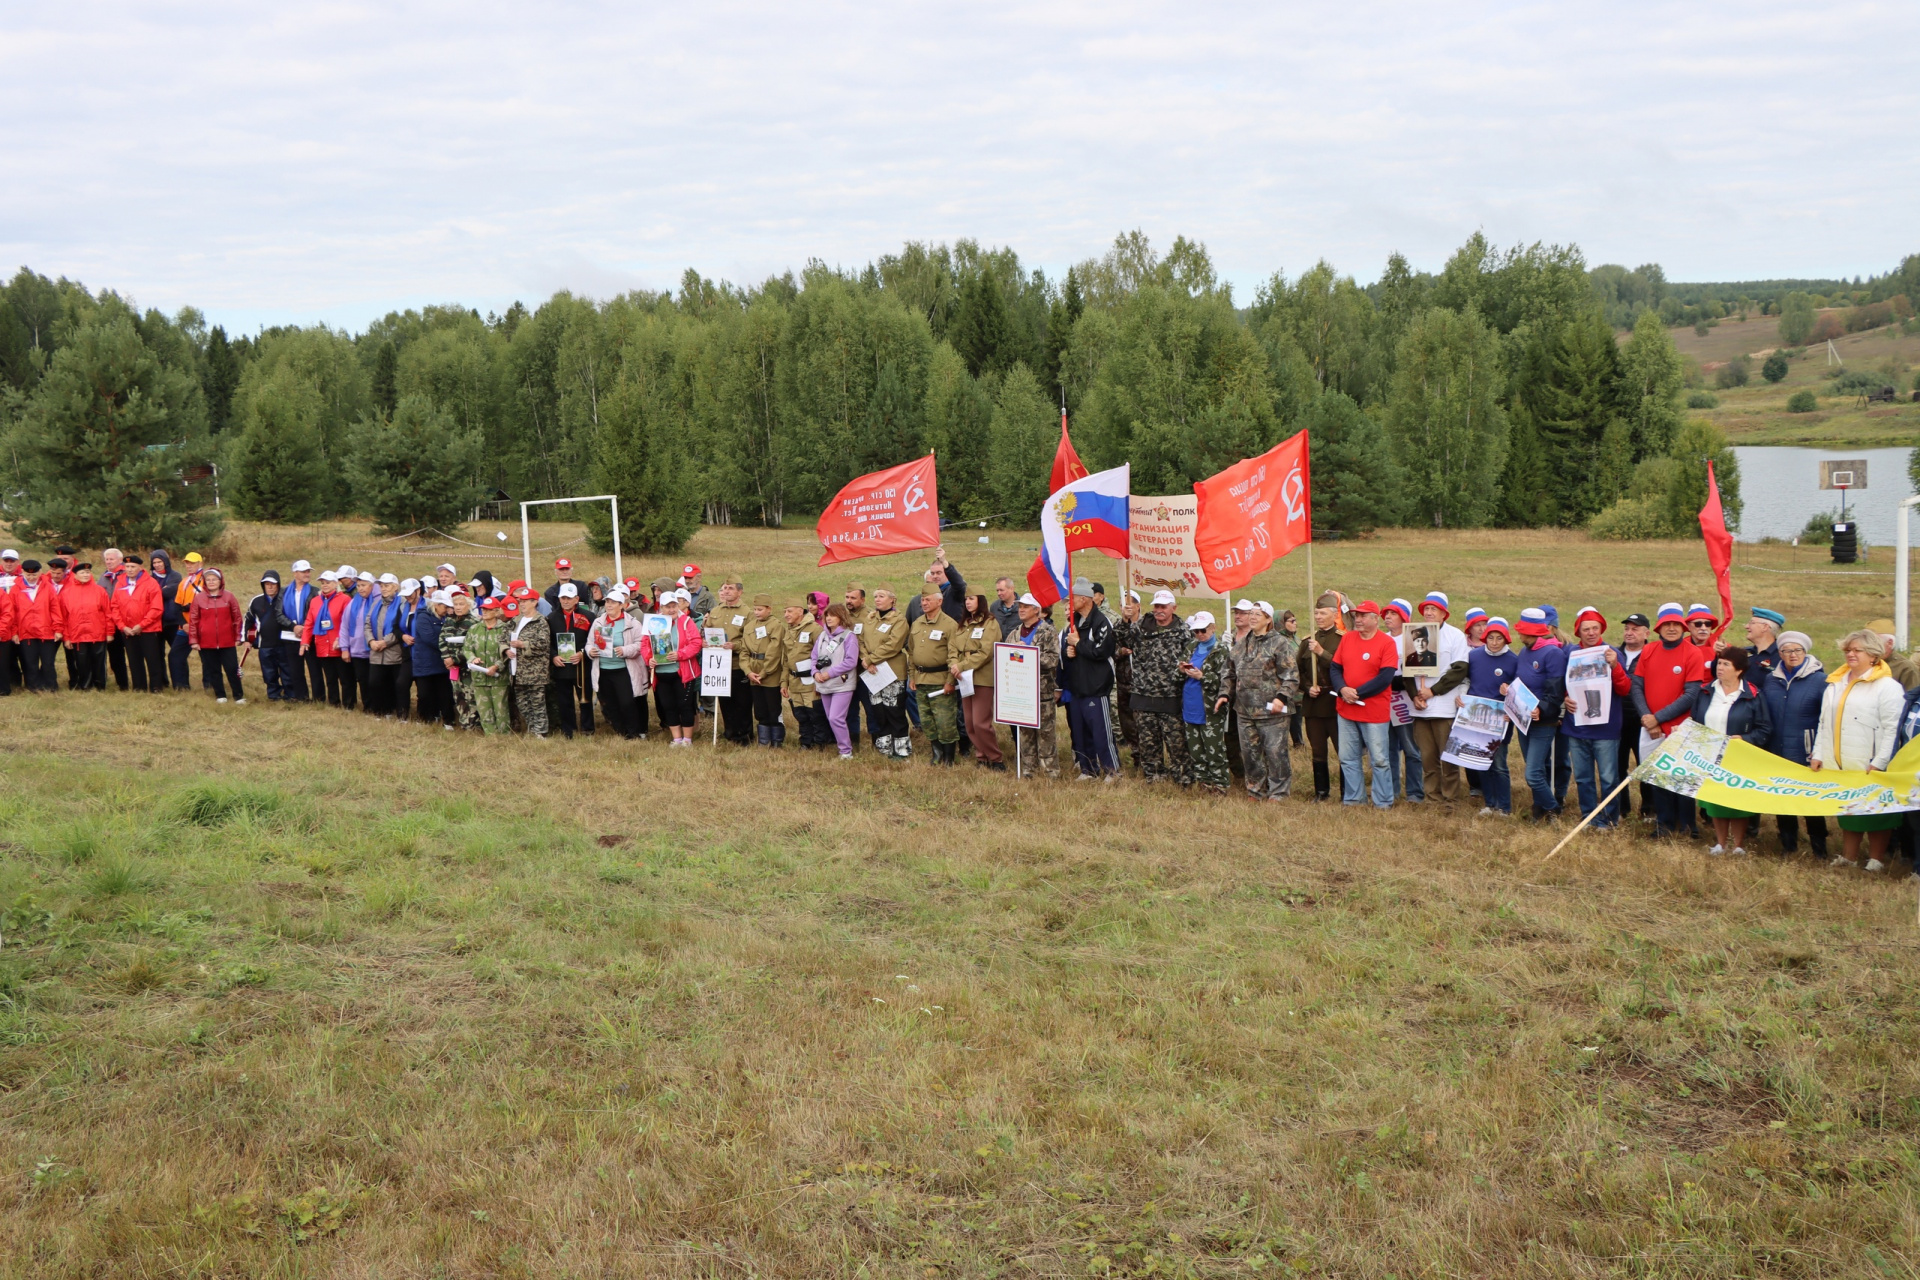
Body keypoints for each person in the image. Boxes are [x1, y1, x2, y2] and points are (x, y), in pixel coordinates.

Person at [1809, 629, 1907, 871]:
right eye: (1848, 650)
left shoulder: (1887, 687)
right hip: (1840, 762)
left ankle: (1876, 859)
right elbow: (1824, 722)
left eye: (1857, 650)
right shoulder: (1835, 683)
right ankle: (1849, 857)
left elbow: (1893, 728)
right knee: (1849, 809)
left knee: (1877, 811)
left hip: (1870, 761)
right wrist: (1819, 753)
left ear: (1873, 655)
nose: (1850, 654)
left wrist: (1881, 760)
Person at [1632, 603, 1710, 838]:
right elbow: (1637, 685)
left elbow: (1691, 694)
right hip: (1650, 726)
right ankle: (1663, 824)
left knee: (1682, 779)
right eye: (1667, 624)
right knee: (1657, 777)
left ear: (1684, 627)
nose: (1672, 628)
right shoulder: (1649, 650)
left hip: (1679, 728)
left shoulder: (1692, 653)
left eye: (1676, 624)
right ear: (1658, 628)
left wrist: (1658, 718)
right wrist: (1648, 718)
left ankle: (1688, 826)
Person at [1688, 647, 1773, 856]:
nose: (1720, 668)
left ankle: (1738, 845)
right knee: (1716, 800)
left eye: (1727, 664)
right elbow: (1696, 719)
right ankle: (1720, 843)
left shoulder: (1752, 695)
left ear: (1739, 670)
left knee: (1736, 801)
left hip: (1739, 757)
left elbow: (1764, 728)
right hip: (1710, 756)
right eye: (1719, 662)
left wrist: (1744, 739)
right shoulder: (1706, 691)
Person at [1557, 606, 1633, 829]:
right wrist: (1565, 698)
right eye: (1586, 629)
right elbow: (1562, 683)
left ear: (1602, 629)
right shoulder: (1569, 654)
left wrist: (1615, 666)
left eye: (1595, 628)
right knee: (1583, 777)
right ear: (1578, 632)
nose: (1591, 633)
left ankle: (1609, 819)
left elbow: (1625, 688)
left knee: (1609, 777)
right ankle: (1589, 816)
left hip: (1606, 729)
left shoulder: (1612, 653)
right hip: (1577, 727)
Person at [1759, 630, 1827, 857]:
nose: (1792, 655)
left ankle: (1819, 847)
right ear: (1780, 654)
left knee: (1810, 800)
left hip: (1806, 749)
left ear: (1805, 652)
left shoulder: (1820, 680)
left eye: (1797, 650)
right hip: (1777, 749)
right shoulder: (1771, 679)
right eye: (1787, 651)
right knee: (1782, 798)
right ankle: (1788, 844)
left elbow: (1825, 718)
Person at [1228, 599, 1298, 801]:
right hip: (1245, 711)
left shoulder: (1280, 643)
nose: (1251, 617)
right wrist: (1225, 695)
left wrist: (1282, 698)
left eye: (1257, 615)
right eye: (1251, 613)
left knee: (1276, 754)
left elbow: (1291, 675)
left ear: (1268, 619)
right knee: (1250, 755)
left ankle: (1278, 793)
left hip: (1273, 712)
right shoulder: (1241, 644)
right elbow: (1229, 672)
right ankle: (1256, 790)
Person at [1331, 600, 1397, 809]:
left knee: (1379, 759)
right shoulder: (1348, 638)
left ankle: (1383, 801)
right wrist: (1342, 689)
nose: (1357, 620)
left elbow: (1385, 677)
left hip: (1374, 711)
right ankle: (1354, 799)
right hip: (1346, 710)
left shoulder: (1386, 643)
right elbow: (1335, 668)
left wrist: (1357, 693)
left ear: (1375, 619)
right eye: (1356, 616)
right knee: (1348, 758)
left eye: (1362, 616)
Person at [1060, 577, 1119, 780]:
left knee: (1101, 733)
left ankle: (1112, 770)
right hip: (1077, 685)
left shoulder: (1102, 622)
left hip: (1096, 686)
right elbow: (1070, 645)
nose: (1069, 603)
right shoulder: (1074, 623)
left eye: (1072, 599)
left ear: (1085, 599)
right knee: (1080, 731)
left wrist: (1078, 644)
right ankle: (1088, 769)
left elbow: (1103, 651)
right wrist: (1068, 650)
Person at [1512, 607, 1568, 821]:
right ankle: (1540, 809)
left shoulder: (1553, 653)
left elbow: (1556, 691)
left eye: (1522, 631)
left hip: (1543, 723)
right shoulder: (1525, 652)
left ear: (1532, 632)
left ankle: (1554, 808)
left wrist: (1542, 709)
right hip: (1523, 720)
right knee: (1538, 769)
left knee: (1532, 774)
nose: (1519, 634)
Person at [1130, 590, 1190, 785]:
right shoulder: (1140, 628)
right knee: (1148, 743)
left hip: (1171, 696)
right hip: (1143, 694)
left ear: (1174, 608)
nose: (1159, 610)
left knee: (1177, 744)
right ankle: (1154, 777)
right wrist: (1125, 619)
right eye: (1156, 606)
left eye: (1163, 607)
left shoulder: (1184, 630)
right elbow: (1119, 638)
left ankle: (1182, 779)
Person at [1465, 619, 1521, 816]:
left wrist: (1510, 694)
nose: (1495, 642)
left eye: (1499, 638)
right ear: (1484, 638)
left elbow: (1520, 691)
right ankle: (1490, 803)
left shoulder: (1514, 660)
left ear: (1506, 639)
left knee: (1499, 764)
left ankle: (1504, 807)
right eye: (1491, 638)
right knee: (1482, 761)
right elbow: (1466, 680)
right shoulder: (1474, 656)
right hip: (1477, 716)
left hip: (1500, 718)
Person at [906, 584, 961, 764]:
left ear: (939, 601)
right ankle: (936, 752)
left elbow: (955, 655)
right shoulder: (917, 623)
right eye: (922, 600)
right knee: (927, 720)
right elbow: (912, 652)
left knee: (944, 720)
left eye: (928, 599)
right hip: (921, 679)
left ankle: (949, 757)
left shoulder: (950, 625)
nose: (924, 603)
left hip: (941, 679)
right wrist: (912, 676)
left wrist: (950, 681)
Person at [1180, 611, 1232, 794]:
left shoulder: (1221, 650)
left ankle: (1220, 784)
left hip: (1210, 707)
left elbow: (1226, 680)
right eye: (1196, 631)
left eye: (1203, 630)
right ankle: (1203, 782)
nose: (1200, 634)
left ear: (1213, 628)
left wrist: (1203, 676)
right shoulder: (1191, 646)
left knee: (1214, 749)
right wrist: (1181, 670)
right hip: (1190, 704)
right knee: (1196, 749)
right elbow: (1178, 671)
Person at [586, 589, 649, 740]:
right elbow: (589, 643)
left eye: (613, 602)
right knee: (610, 704)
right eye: (607, 601)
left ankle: (633, 732)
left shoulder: (632, 623)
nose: (609, 605)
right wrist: (590, 651)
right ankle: (620, 731)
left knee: (627, 702)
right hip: (603, 669)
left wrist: (625, 650)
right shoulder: (598, 622)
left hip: (623, 669)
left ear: (621, 605)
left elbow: (641, 644)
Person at [950, 592, 1003, 769]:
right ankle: (982, 757)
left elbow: (986, 652)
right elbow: (952, 648)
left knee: (981, 722)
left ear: (980, 601)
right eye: (966, 599)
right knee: (970, 722)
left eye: (972, 599)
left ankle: (996, 758)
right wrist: (954, 664)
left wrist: (963, 665)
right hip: (963, 677)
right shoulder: (963, 624)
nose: (967, 602)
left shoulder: (990, 623)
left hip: (982, 676)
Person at [1010, 593, 1061, 779]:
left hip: (1042, 692)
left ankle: (1050, 772)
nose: (1021, 609)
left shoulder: (1047, 631)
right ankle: (1028, 770)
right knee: (1025, 733)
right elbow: (1006, 656)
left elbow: (1052, 660)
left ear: (1037, 610)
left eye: (1026, 606)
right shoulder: (1015, 633)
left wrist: (1028, 653)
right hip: (1021, 691)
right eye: (1020, 606)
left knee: (1046, 733)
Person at [1300, 593, 1344, 801]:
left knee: (1343, 751)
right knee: (1317, 750)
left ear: (1334, 615)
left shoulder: (1343, 639)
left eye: (1323, 613)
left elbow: (1343, 667)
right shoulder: (1307, 640)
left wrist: (1322, 652)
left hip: (1335, 702)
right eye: (1316, 613)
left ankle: (1348, 792)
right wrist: (1308, 687)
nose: (1318, 617)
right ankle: (1321, 792)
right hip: (1313, 705)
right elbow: (1297, 672)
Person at [1379, 598, 1424, 803]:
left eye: (1393, 613)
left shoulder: (1413, 639)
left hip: (1405, 701)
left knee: (1411, 748)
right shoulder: (1380, 638)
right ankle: (1392, 791)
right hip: (1383, 701)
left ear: (1404, 617)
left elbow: (1416, 672)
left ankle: (1415, 792)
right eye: (1386, 613)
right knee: (1388, 750)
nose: (1387, 617)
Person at [860, 586, 911, 759]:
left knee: (894, 710)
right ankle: (884, 748)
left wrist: (871, 659)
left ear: (892, 600)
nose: (877, 599)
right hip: (873, 672)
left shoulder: (899, 620)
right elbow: (860, 641)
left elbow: (893, 644)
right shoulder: (870, 619)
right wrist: (866, 659)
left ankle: (901, 749)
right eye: (875, 596)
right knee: (878, 710)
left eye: (881, 596)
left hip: (892, 672)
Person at [186, 567, 246, 704]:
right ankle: (220, 695)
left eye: (214, 579)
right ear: (204, 582)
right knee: (213, 669)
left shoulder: (229, 596)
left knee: (232, 668)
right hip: (207, 641)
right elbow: (193, 620)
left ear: (220, 581)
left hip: (227, 641)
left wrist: (238, 637)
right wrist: (194, 640)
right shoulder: (198, 599)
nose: (211, 582)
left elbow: (237, 618)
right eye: (208, 580)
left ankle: (238, 695)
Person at [1614, 612, 1652, 821]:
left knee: (1645, 766)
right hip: (1618, 720)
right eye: (1627, 628)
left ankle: (1648, 809)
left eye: (1635, 629)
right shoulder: (1614, 654)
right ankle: (1620, 807)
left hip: (1642, 721)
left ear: (1646, 633)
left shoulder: (1652, 654)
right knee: (1617, 766)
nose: (1629, 633)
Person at [708, 577, 754, 746]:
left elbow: (750, 640)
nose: (726, 591)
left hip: (738, 664)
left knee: (742, 702)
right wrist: (706, 641)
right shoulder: (715, 611)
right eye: (724, 587)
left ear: (740, 592)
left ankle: (745, 735)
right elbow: (708, 632)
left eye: (731, 588)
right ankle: (730, 732)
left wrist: (734, 645)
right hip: (719, 664)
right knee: (725, 701)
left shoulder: (747, 613)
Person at [812, 603, 862, 759]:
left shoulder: (849, 636)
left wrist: (830, 673)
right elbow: (814, 657)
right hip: (824, 684)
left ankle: (846, 751)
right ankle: (842, 746)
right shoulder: (822, 636)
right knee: (830, 718)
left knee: (836, 717)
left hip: (842, 684)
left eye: (832, 615)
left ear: (841, 617)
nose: (828, 618)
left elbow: (851, 661)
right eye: (827, 615)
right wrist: (815, 673)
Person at [656, 590, 704, 747]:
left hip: (682, 671)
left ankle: (687, 739)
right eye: (667, 607)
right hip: (662, 672)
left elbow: (696, 643)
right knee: (668, 706)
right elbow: (645, 644)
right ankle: (676, 738)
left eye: (674, 605)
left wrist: (680, 654)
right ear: (661, 608)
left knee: (684, 705)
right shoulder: (654, 623)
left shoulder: (686, 622)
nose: (671, 609)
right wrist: (649, 658)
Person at [113, 555, 167, 693]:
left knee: (152, 659)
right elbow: (114, 607)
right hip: (128, 630)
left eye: (133, 567)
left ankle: (156, 687)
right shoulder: (120, 583)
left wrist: (142, 625)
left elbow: (156, 608)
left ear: (140, 568)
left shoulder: (151, 583)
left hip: (148, 629)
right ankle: (139, 686)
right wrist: (122, 627)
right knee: (133, 659)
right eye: (127, 567)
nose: (129, 570)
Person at [546, 583, 594, 739]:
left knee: (585, 699)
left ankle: (587, 729)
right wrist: (553, 656)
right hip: (561, 667)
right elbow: (548, 642)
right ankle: (569, 730)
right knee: (564, 701)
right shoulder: (551, 618)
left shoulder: (589, 616)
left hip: (582, 666)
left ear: (577, 599)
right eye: (563, 598)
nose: (565, 601)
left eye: (569, 598)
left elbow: (592, 640)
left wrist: (582, 653)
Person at [738, 593, 786, 747]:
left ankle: (777, 741)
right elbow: (744, 651)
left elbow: (774, 652)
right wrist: (748, 671)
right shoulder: (749, 627)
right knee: (759, 710)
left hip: (770, 674)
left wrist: (764, 673)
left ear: (769, 609)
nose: (757, 612)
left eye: (760, 609)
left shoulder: (776, 626)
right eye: (755, 609)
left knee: (773, 708)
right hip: (754, 673)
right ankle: (764, 740)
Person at [777, 599, 825, 749]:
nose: (786, 615)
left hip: (810, 681)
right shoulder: (789, 631)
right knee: (800, 714)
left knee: (814, 713)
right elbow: (786, 660)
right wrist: (784, 682)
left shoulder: (815, 629)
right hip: (794, 680)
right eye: (785, 611)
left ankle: (820, 743)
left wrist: (821, 680)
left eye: (789, 611)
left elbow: (824, 656)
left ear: (800, 611)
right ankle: (806, 741)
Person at [57, 562, 112, 691]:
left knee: (99, 661)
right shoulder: (66, 593)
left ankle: (100, 686)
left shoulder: (99, 591)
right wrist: (67, 637)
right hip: (77, 634)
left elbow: (108, 613)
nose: (86, 575)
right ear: (75, 575)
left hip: (97, 632)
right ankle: (85, 686)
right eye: (82, 573)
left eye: (88, 572)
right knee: (81, 662)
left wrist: (109, 632)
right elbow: (63, 618)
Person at [505, 586, 552, 737]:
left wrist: (523, 644)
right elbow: (503, 639)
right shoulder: (515, 620)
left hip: (535, 672)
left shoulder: (541, 621)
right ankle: (531, 729)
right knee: (523, 703)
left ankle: (541, 731)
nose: (522, 604)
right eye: (520, 601)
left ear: (534, 602)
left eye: (525, 601)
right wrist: (506, 650)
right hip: (517, 671)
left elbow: (543, 644)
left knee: (537, 703)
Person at [241, 571, 291, 701]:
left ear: (278, 585)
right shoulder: (256, 601)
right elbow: (248, 620)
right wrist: (246, 639)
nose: (270, 587)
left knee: (287, 670)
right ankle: (273, 695)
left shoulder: (286, 599)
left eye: (273, 584)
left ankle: (290, 694)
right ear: (263, 585)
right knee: (269, 672)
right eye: (267, 584)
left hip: (284, 643)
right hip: (265, 644)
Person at [11, 560, 60, 692]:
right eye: (28, 575)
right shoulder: (15, 589)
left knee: (48, 662)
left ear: (40, 572)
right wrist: (14, 632)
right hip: (26, 632)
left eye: (34, 575)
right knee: (30, 662)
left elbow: (55, 609)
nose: (31, 578)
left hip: (46, 631)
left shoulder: (48, 587)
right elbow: (13, 612)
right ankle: (33, 686)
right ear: (22, 573)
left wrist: (58, 628)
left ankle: (50, 686)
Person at [364, 574, 408, 718]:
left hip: (394, 652)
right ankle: (379, 711)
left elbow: (401, 627)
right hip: (376, 651)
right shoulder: (376, 603)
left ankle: (392, 710)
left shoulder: (402, 603)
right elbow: (367, 624)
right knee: (374, 683)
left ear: (395, 587)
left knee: (394, 684)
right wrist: (371, 641)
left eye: (387, 585)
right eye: (381, 586)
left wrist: (385, 642)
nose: (383, 589)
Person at [438, 589, 480, 730]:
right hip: (453, 668)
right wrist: (446, 658)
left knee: (471, 697)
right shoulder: (449, 620)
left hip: (467, 667)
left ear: (468, 605)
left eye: (461, 604)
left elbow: (472, 646)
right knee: (458, 697)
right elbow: (442, 640)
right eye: (455, 604)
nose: (458, 607)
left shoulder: (474, 623)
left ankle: (474, 726)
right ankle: (464, 724)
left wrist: (455, 659)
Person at [148, 550, 189, 690]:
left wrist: (153, 592)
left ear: (166, 561)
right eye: (154, 562)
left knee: (177, 654)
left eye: (160, 561)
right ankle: (162, 682)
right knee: (157, 654)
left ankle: (181, 684)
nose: (157, 565)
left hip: (173, 621)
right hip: (155, 621)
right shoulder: (149, 578)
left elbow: (168, 592)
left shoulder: (175, 576)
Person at [410, 587, 450, 727]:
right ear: (436, 605)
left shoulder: (446, 617)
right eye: (445, 606)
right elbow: (430, 638)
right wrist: (449, 647)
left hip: (441, 663)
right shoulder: (423, 616)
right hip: (425, 663)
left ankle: (445, 719)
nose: (447, 609)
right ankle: (425, 719)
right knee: (425, 693)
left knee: (444, 693)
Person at [339, 571, 377, 712]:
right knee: (362, 680)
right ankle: (368, 707)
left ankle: (377, 706)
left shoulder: (378, 601)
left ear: (372, 586)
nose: (360, 588)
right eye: (359, 585)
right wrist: (344, 647)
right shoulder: (354, 602)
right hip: (357, 650)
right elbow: (344, 625)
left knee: (374, 681)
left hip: (375, 649)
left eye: (364, 585)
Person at [1114, 590, 1142, 759]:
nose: (1126, 609)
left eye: (1129, 605)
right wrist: (1120, 652)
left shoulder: (1146, 625)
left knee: (1142, 722)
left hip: (1141, 683)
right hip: (1123, 681)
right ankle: (1135, 752)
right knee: (1127, 723)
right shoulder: (1118, 626)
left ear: (1138, 606)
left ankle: (1146, 755)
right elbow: (1110, 649)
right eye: (1123, 605)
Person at [99, 548, 132, 690]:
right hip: (110, 622)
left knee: (133, 654)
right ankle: (122, 684)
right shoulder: (103, 577)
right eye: (106, 559)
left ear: (120, 560)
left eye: (111, 559)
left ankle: (140, 682)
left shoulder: (128, 573)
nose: (108, 562)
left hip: (127, 621)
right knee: (115, 655)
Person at [1745, 608, 1786, 681]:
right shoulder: (1744, 653)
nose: (1746, 626)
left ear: (1765, 627)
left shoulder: (1783, 657)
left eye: (1752, 623)